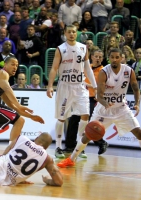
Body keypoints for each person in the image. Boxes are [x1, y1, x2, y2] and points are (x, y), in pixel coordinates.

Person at [57, 48, 141, 174]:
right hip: (103, 110)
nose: (115, 60)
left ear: (121, 57)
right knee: (88, 135)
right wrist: (106, 103)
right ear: (109, 58)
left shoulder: (128, 71)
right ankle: (71, 159)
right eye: (112, 57)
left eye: (117, 57)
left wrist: (137, 104)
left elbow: (136, 89)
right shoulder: (104, 72)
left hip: (121, 109)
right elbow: (98, 95)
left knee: (139, 132)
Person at [46, 25, 97, 158]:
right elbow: (54, 68)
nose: (72, 34)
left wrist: (94, 85)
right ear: (65, 33)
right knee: (62, 118)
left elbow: (87, 67)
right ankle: (58, 147)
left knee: (85, 115)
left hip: (80, 86)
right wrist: (50, 85)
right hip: (65, 86)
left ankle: (79, 147)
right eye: (69, 32)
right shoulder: (60, 49)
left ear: (77, 33)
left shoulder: (83, 47)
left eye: (74, 32)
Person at [0, 56, 45, 146]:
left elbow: (11, 105)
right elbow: (8, 89)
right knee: (19, 120)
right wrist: (19, 105)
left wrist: (31, 116)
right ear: (5, 65)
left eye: (17, 65)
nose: (15, 67)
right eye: (12, 64)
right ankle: (10, 152)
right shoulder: (3, 73)